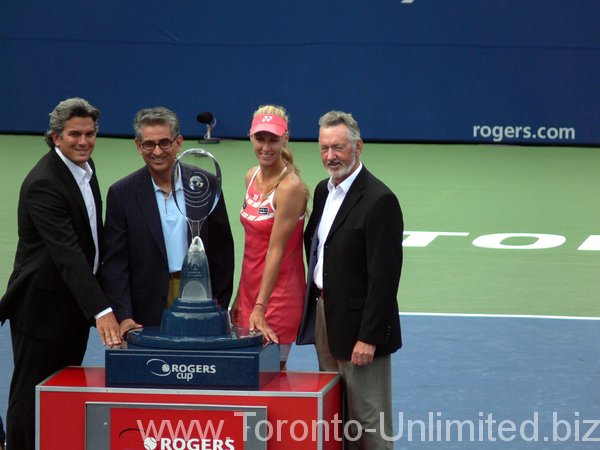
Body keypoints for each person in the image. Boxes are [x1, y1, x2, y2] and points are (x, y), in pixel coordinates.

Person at [0, 97, 121, 450]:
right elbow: (67, 253)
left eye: (90, 133)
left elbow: (91, 239)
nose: (84, 141)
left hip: (72, 307)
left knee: (61, 390)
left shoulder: (85, 167)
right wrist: (102, 310)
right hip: (40, 308)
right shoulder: (44, 183)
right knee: (29, 393)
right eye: (74, 135)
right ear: (55, 137)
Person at [296, 110, 403, 449]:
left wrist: (369, 338)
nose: (331, 156)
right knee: (336, 414)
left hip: (359, 329)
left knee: (368, 422)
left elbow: (385, 278)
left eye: (339, 148)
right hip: (326, 316)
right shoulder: (323, 192)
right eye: (325, 148)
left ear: (359, 146)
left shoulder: (379, 200)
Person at [102, 107, 234, 336]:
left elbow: (223, 252)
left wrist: (219, 305)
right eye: (149, 144)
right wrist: (125, 316)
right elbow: (115, 263)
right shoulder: (121, 194)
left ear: (178, 142)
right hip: (145, 309)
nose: (157, 151)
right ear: (138, 145)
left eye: (164, 143)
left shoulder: (207, 185)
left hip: (198, 298)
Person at [230, 105, 308, 370]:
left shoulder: (290, 188)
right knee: (246, 375)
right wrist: (239, 298)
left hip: (278, 298)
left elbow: (275, 250)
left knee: (272, 375)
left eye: (273, 140)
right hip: (250, 292)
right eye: (260, 138)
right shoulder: (250, 176)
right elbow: (251, 247)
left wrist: (261, 306)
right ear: (250, 136)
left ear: (285, 138)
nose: (266, 147)